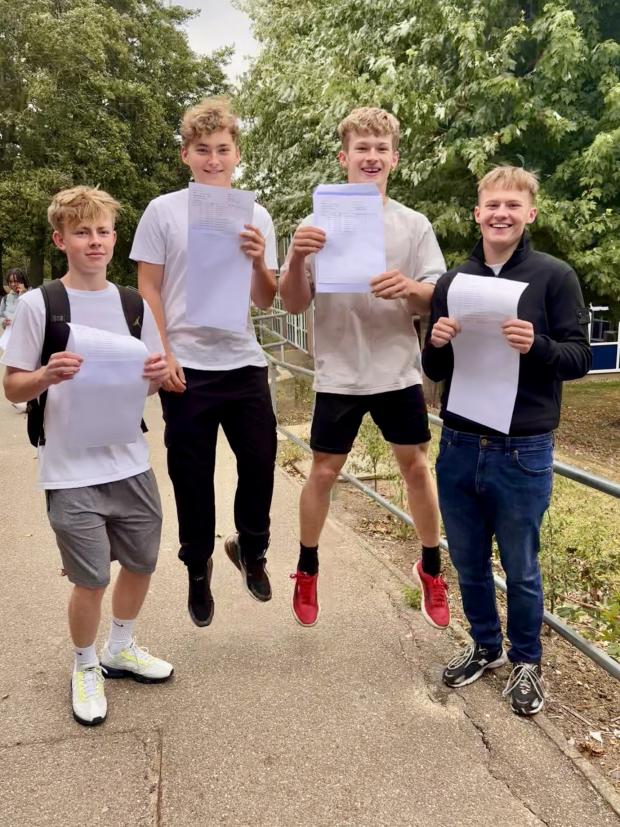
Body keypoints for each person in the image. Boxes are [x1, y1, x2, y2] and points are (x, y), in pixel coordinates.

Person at [422, 165, 591, 716]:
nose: (501, 214)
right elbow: (433, 365)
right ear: (477, 212)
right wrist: (439, 341)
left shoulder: (555, 276)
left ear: (530, 213)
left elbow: (579, 359)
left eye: (512, 206)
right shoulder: (453, 281)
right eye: (492, 204)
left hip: (523, 448)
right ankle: (486, 647)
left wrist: (538, 345)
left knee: (520, 565)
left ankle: (526, 661)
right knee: (468, 560)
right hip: (459, 442)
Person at [2, 186, 173, 727]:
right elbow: (12, 387)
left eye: (102, 231)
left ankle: (120, 648)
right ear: (61, 240)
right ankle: (84, 665)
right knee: (92, 578)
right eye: (81, 232)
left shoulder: (133, 304)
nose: (94, 241)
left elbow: (144, 383)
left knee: (143, 562)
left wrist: (156, 378)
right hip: (70, 468)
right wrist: (46, 375)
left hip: (130, 461)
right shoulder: (39, 305)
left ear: (114, 238)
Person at [280, 107, 449, 629]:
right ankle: (307, 568)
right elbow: (290, 304)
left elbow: (437, 297)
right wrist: (295, 258)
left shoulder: (413, 224)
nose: (371, 157)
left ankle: (432, 567)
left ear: (394, 159)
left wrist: (411, 288)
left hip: (396, 369)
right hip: (339, 371)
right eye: (362, 149)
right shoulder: (315, 224)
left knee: (416, 467)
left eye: (381, 149)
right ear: (344, 157)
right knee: (324, 471)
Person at [131, 97, 278, 627]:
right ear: (186, 156)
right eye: (202, 150)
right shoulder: (163, 211)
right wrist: (162, 352)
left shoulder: (256, 214)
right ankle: (198, 570)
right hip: (185, 365)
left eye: (222, 149)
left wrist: (260, 257)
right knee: (192, 477)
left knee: (260, 462)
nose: (213, 159)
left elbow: (266, 298)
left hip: (242, 361)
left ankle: (251, 548)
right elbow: (148, 287)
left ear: (236, 154)